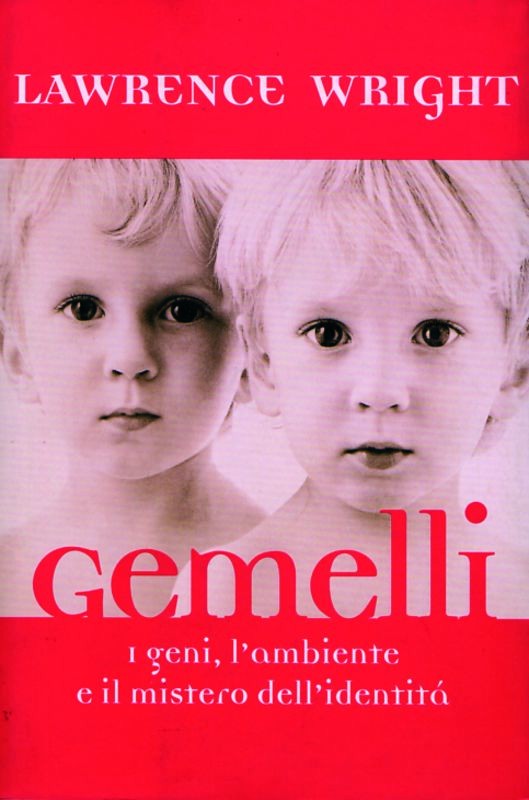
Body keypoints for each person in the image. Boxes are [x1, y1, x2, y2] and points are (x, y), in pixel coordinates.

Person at [187, 160, 529, 618]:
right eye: (329, 334)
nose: (380, 391)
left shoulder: (518, 594)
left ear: (514, 367)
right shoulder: (226, 595)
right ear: (263, 363)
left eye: (434, 335)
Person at [0, 158, 263, 616]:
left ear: (252, 354)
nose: (130, 359)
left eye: (182, 311)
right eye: (83, 309)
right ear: (17, 354)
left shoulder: (296, 580)